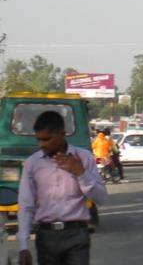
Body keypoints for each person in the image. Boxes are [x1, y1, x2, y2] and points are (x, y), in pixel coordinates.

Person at [18, 111, 107, 265]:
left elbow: (101, 198)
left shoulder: (83, 158)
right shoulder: (33, 163)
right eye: (38, 139)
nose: (42, 144)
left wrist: (81, 173)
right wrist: (23, 246)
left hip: (77, 235)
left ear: (62, 134)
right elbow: (26, 205)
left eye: (46, 139)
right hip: (46, 237)